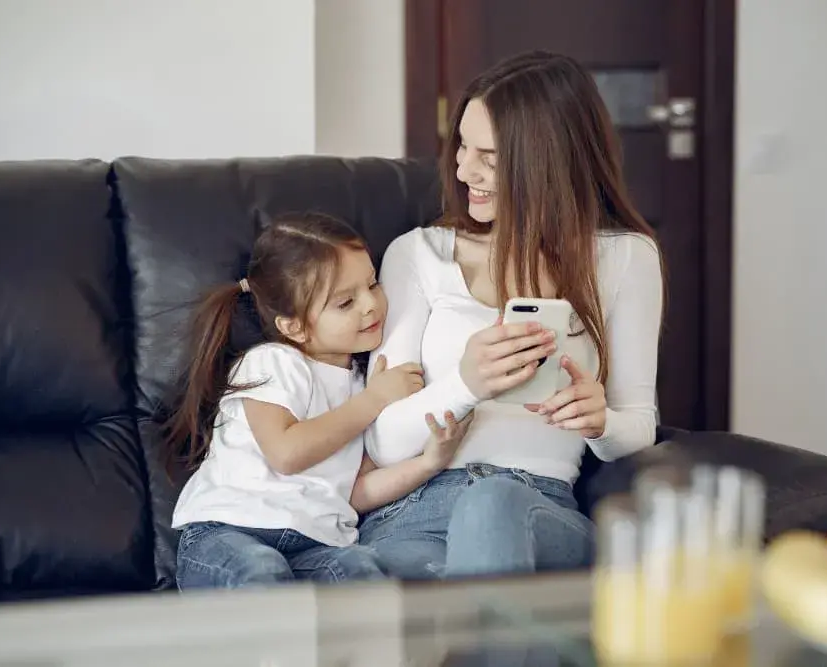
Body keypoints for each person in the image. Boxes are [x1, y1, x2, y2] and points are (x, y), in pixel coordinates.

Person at [359, 50, 664, 580]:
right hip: (414, 513)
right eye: (461, 146)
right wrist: (466, 383)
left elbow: (638, 427)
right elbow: (382, 441)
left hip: (534, 509)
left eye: (489, 157)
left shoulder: (625, 258)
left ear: (548, 161)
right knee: (426, 602)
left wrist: (600, 422)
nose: (462, 169)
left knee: (493, 506)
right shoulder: (418, 254)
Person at [162, 213, 473, 590]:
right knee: (261, 572)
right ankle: (273, 646)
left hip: (315, 544)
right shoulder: (272, 363)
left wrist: (428, 463)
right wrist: (374, 400)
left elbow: (356, 491)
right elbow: (286, 453)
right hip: (231, 533)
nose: (371, 305)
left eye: (373, 284)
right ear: (293, 325)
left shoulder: (363, 384)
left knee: (364, 575)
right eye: (346, 303)